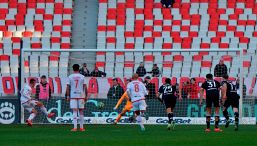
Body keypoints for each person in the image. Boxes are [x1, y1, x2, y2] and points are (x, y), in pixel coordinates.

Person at [66, 64, 88, 132]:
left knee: (74, 111)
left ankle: (75, 127)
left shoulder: (70, 77)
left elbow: (68, 87)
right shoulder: (82, 76)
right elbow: (85, 87)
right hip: (81, 96)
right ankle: (82, 128)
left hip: (73, 96)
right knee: (81, 111)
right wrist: (86, 96)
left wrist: (67, 96)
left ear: (73, 69)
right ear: (79, 69)